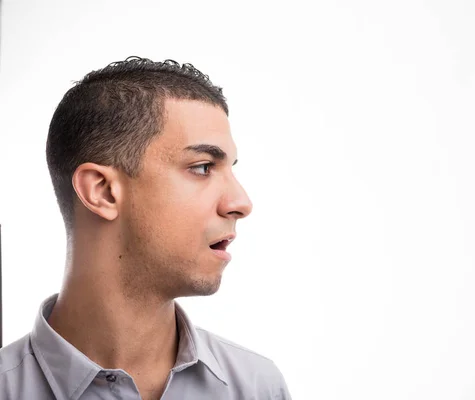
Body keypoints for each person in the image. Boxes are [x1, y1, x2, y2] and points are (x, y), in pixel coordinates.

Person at [0, 56, 291, 399]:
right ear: (103, 191)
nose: (241, 203)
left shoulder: (257, 387)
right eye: (202, 167)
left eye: (230, 169)